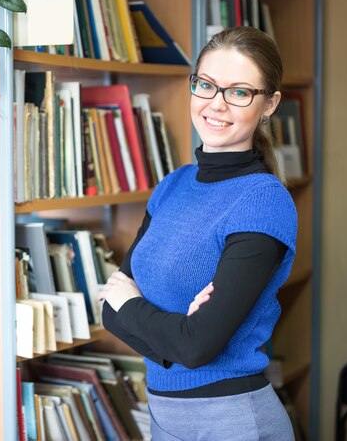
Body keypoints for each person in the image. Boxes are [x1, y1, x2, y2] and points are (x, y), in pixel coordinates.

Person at [98, 26, 297, 440]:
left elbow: (196, 346)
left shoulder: (263, 203)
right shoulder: (172, 186)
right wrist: (177, 333)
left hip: (232, 422)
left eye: (239, 92)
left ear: (269, 104)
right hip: (165, 419)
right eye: (206, 85)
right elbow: (110, 312)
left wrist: (150, 317)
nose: (216, 105)